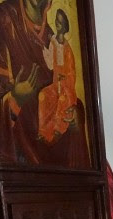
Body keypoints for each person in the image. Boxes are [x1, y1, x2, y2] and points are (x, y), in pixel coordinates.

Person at [0, 0, 89, 167]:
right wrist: (16, 98)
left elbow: (64, 85)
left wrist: (75, 116)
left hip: (54, 156)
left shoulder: (50, 36)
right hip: (21, 155)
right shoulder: (3, 24)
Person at [38, 8, 78, 144]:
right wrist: (44, 48)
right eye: (56, 20)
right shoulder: (53, 41)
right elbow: (50, 64)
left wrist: (65, 78)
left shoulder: (67, 48)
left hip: (66, 87)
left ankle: (57, 129)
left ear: (65, 26)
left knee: (62, 99)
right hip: (55, 84)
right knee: (43, 94)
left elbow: (72, 71)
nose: (57, 24)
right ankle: (43, 131)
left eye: (60, 22)